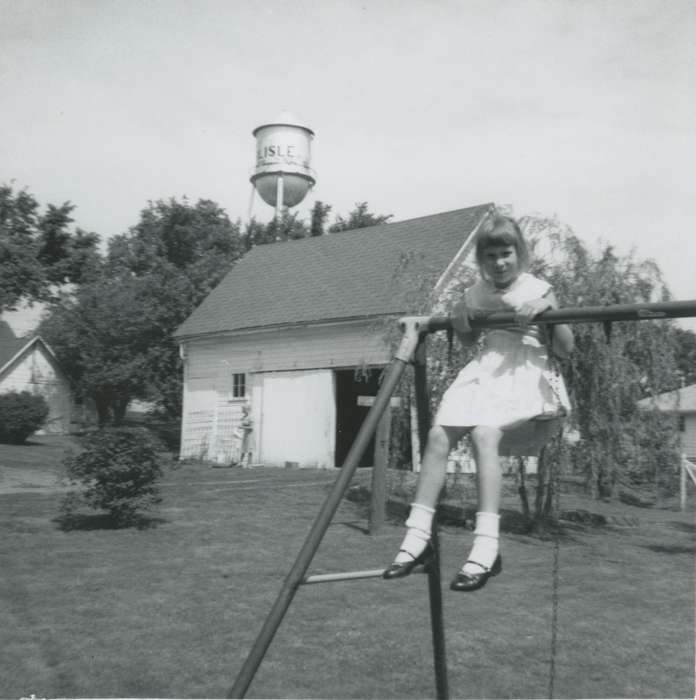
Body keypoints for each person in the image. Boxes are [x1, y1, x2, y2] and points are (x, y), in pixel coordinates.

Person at [383, 213, 574, 591]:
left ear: (518, 253)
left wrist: (548, 315)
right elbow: (470, 341)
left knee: (486, 434)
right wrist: (462, 320)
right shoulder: (474, 291)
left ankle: (487, 545)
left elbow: (566, 349)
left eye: (506, 253)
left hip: (525, 370)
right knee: (437, 436)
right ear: (481, 260)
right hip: (485, 369)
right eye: (491, 257)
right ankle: (417, 536)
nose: (500, 263)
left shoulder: (539, 288)